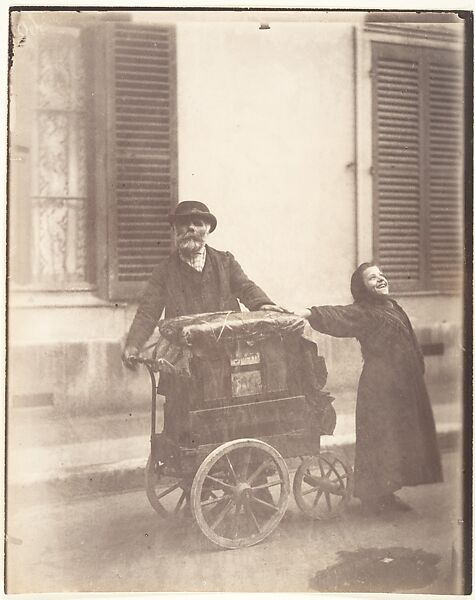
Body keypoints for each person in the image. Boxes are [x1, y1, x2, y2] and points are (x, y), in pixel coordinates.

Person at [121, 200, 284, 439]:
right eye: (183, 223)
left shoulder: (225, 262)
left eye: (197, 223)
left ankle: (233, 464)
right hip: (182, 361)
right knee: (182, 424)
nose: (190, 228)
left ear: (207, 229)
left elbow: (247, 288)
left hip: (226, 358)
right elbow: (148, 311)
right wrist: (133, 344)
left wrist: (263, 304)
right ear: (175, 230)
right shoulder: (164, 271)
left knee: (230, 420)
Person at [294, 262, 443, 514]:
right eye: (372, 278)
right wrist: (309, 312)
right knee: (380, 439)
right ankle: (375, 497)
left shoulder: (393, 307)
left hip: (403, 385)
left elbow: (410, 340)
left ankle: (387, 492)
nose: (381, 279)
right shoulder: (364, 312)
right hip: (380, 387)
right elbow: (338, 315)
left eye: (381, 275)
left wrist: (417, 369)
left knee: (397, 439)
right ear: (362, 288)